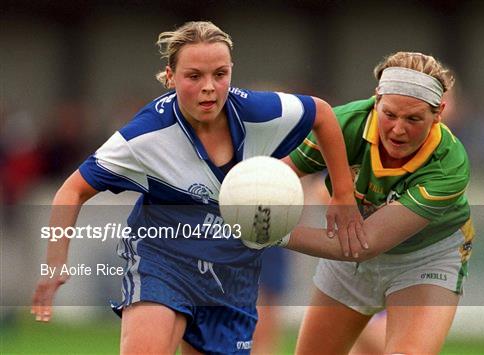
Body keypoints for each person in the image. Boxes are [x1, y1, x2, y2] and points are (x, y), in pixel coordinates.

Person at [30, 21, 362, 354]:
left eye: (220, 74)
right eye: (194, 76)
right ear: (170, 77)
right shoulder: (145, 136)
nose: (209, 87)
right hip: (162, 259)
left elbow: (321, 113)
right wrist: (55, 263)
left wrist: (343, 195)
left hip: (230, 272)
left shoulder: (256, 111)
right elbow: (71, 190)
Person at [280, 51, 474, 354]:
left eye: (413, 119)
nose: (398, 129)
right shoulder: (343, 125)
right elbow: (282, 173)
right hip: (350, 258)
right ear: (376, 99)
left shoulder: (449, 164)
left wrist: (271, 232)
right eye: (390, 114)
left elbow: (364, 243)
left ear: (439, 113)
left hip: (425, 258)